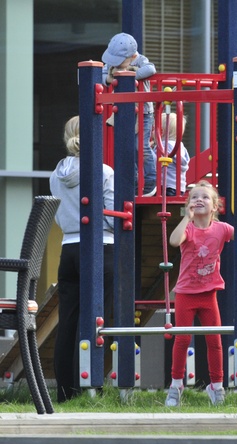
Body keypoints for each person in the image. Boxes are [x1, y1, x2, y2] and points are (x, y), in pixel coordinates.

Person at [165, 180, 237, 407]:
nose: (199, 200)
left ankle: (216, 386)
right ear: (188, 205)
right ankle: (176, 384)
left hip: (209, 293)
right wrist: (187, 218)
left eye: (205, 197)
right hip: (186, 293)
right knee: (182, 339)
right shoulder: (188, 228)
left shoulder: (221, 228)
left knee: (215, 340)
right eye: (194, 197)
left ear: (215, 206)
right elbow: (173, 241)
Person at [50, 115, 115, 403]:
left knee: (68, 320)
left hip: (69, 247)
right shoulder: (103, 171)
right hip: (100, 245)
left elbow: (58, 214)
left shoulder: (56, 174)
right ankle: (92, 386)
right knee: (98, 317)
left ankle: (65, 391)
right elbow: (112, 215)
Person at [101, 32, 157, 196]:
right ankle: (133, 181)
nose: (114, 64)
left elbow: (151, 69)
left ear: (132, 57)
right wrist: (110, 79)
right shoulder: (112, 64)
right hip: (125, 111)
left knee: (141, 146)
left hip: (144, 112)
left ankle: (151, 180)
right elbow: (103, 74)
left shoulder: (139, 60)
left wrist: (129, 76)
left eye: (119, 61)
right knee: (126, 147)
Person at [157, 112, 190, 196]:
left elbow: (154, 163)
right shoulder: (180, 146)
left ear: (161, 131)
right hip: (179, 187)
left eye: (154, 129)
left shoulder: (163, 146)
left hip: (166, 186)